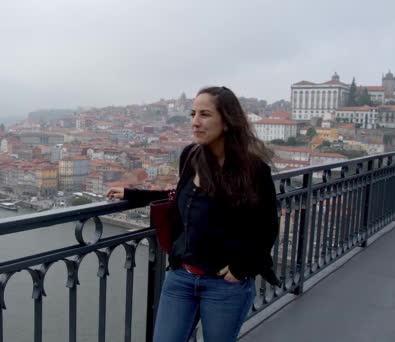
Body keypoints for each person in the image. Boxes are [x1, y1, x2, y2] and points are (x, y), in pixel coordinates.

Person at [106, 86, 280, 342]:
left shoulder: (253, 170)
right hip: (181, 277)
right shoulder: (191, 155)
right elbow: (179, 196)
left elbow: (266, 227)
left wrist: (241, 268)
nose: (195, 122)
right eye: (193, 113)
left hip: (224, 283)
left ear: (228, 122)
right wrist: (134, 194)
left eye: (205, 114)